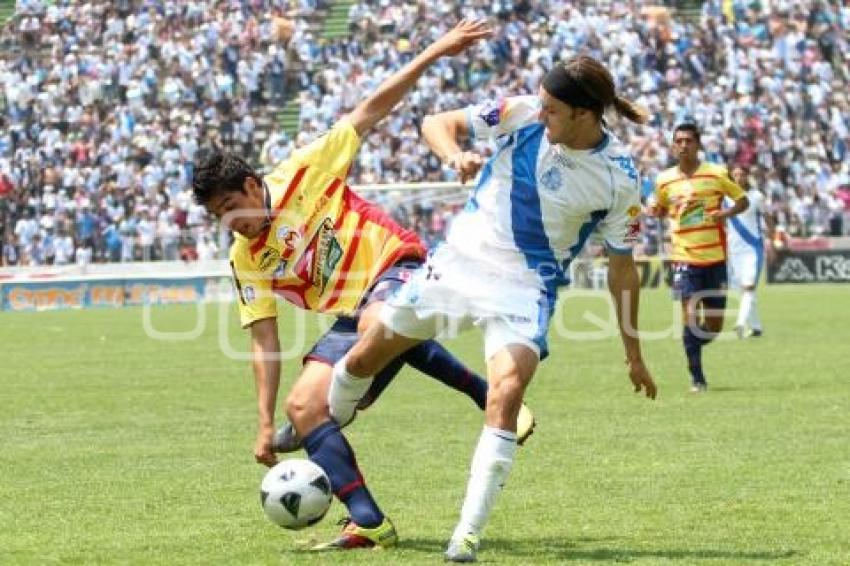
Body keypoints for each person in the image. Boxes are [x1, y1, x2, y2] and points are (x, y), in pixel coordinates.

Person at [192, 20, 535, 552]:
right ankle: (369, 521)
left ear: (253, 185)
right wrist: (263, 424)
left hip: (397, 266)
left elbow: (375, 105)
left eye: (231, 206)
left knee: (381, 323)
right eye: (219, 216)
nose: (230, 221)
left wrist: (436, 49)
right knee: (302, 410)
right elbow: (263, 341)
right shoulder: (246, 258)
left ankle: (476, 391)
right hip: (352, 315)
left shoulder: (306, 169)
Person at [325, 55, 658, 562]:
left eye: (552, 109)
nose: (540, 114)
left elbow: (621, 269)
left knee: (505, 392)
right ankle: (327, 427)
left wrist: (633, 353)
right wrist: (453, 155)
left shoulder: (619, 179)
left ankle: (466, 534)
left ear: (585, 115)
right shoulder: (521, 113)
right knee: (362, 361)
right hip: (458, 264)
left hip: (525, 288)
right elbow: (436, 124)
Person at [651, 122, 749, 393]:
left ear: (698, 144)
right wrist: (652, 209)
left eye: (688, 141)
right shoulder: (664, 180)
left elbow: (743, 201)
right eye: (679, 141)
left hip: (715, 258)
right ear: (673, 146)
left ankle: (691, 341)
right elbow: (659, 207)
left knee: (713, 326)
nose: (683, 145)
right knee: (690, 316)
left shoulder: (716, 174)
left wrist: (725, 214)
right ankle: (697, 378)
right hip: (683, 257)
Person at [726, 166, 774, 338]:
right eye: (736, 174)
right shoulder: (726, 198)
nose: (739, 177)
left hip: (753, 247)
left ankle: (740, 323)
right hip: (734, 250)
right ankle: (756, 327)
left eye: (742, 174)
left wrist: (773, 243)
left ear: (747, 176)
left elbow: (769, 219)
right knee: (743, 289)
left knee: (748, 286)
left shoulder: (756, 196)